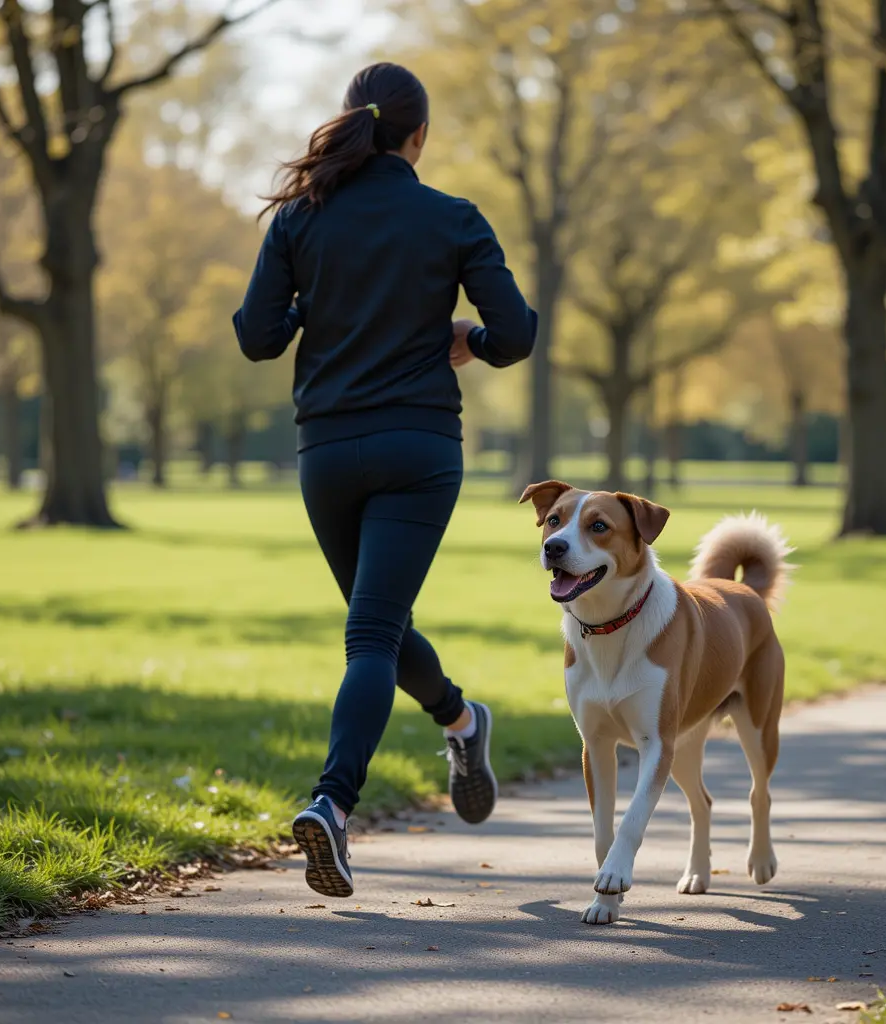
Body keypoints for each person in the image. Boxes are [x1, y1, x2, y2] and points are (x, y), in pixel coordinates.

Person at [233, 62, 537, 898]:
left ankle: (332, 803)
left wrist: (312, 306)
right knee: (378, 628)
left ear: (352, 125)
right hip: (419, 447)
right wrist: (467, 338)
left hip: (328, 452)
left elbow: (258, 337)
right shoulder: (452, 217)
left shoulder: (301, 218)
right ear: (420, 136)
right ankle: (461, 719)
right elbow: (516, 332)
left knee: (369, 631)